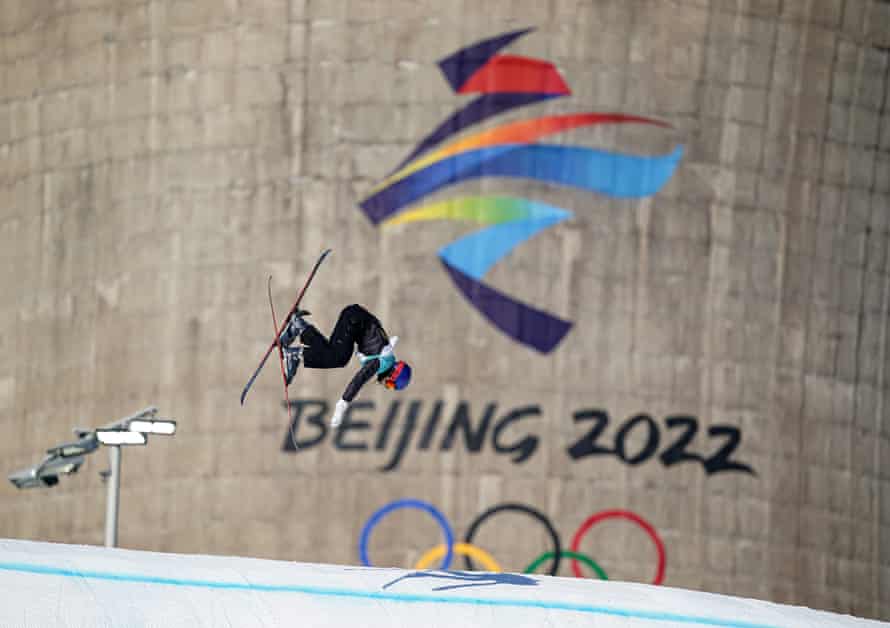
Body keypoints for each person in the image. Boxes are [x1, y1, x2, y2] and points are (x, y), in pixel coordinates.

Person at [278, 304, 412, 428]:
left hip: (354, 318)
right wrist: (343, 403)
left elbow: (379, 339)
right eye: (389, 384)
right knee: (338, 358)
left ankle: (299, 327)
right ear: (393, 374)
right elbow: (359, 380)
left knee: (331, 354)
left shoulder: (386, 357)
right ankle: (295, 354)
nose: (385, 384)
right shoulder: (380, 363)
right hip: (353, 320)